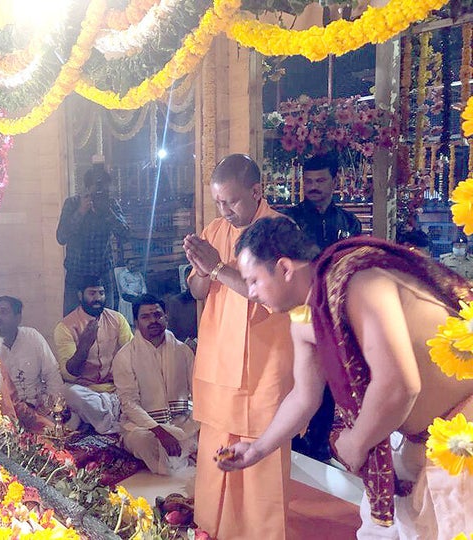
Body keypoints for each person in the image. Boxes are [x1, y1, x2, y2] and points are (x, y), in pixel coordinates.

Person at [221, 216, 473, 538]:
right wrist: (257, 449)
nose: (251, 293)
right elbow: (304, 396)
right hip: (417, 442)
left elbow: (399, 386)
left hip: (462, 434)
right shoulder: (306, 319)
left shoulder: (357, 282)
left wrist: (356, 443)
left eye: (253, 280)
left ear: (284, 269)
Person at [182, 154, 294, 539]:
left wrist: (216, 267)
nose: (224, 210)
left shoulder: (281, 230)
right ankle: (211, 531)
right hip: (218, 361)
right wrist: (199, 269)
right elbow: (198, 292)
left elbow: (271, 294)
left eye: (231, 201)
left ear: (256, 191)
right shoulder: (214, 230)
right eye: (218, 202)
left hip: (263, 364)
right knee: (214, 461)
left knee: (260, 465)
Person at [283, 153, 362, 462]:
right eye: (309, 181)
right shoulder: (290, 220)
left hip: (335, 309)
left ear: (334, 181)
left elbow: (356, 261)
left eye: (320, 181)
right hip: (299, 309)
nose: (313, 187)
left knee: (330, 376)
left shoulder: (348, 221)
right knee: (297, 376)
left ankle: (317, 445)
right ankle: (288, 443)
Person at [112, 294, 198, 475]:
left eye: (157, 315)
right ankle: (182, 457)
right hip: (144, 427)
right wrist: (160, 432)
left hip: (182, 421)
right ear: (136, 322)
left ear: (166, 317)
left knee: (209, 429)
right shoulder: (125, 356)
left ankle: (179, 456)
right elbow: (129, 403)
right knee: (141, 441)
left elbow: (197, 391)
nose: (153, 321)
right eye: (145, 317)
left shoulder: (183, 350)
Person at [53, 275, 133, 434]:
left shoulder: (117, 319)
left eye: (101, 293)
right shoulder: (65, 327)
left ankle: (100, 417)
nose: (98, 298)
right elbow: (69, 374)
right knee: (69, 392)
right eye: (92, 293)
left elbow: (132, 354)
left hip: (116, 387)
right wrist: (84, 345)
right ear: (80, 295)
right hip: (87, 390)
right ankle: (112, 423)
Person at [56, 162, 129, 316]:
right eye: (97, 188)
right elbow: (61, 237)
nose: (101, 192)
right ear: (87, 187)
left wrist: (108, 213)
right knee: (72, 322)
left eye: (105, 188)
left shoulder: (111, 205)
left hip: (102, 274)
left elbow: (125, 234)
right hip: (76, 274)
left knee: (108, 321)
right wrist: (81, 212)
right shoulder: (73, 203)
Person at [0, 296, 68, 433]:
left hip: (40, 408)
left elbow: (52, 373)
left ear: (18, 317)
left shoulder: (32, 337)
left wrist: (52, 406)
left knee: (63, 428)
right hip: (9, 412)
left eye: (3, 312)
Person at [166, 264, 197, 347]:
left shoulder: (213, 298)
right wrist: (187, 340)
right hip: (186, 346)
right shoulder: (176, 302)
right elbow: (172, 329)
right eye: (189, 278)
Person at [116, 258, 147, 326]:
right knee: (137, 301)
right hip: (128, 294)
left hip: (141, 293)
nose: (133, 266)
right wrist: (136, 294)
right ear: (126, 265)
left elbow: (143, 284)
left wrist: (143, 293)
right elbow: (125, 288)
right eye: (131, 264)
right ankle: (137, 320)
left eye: (134, 264)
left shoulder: (138, 273)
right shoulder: (122, 274)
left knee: (149, 299)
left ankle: (146, 317)